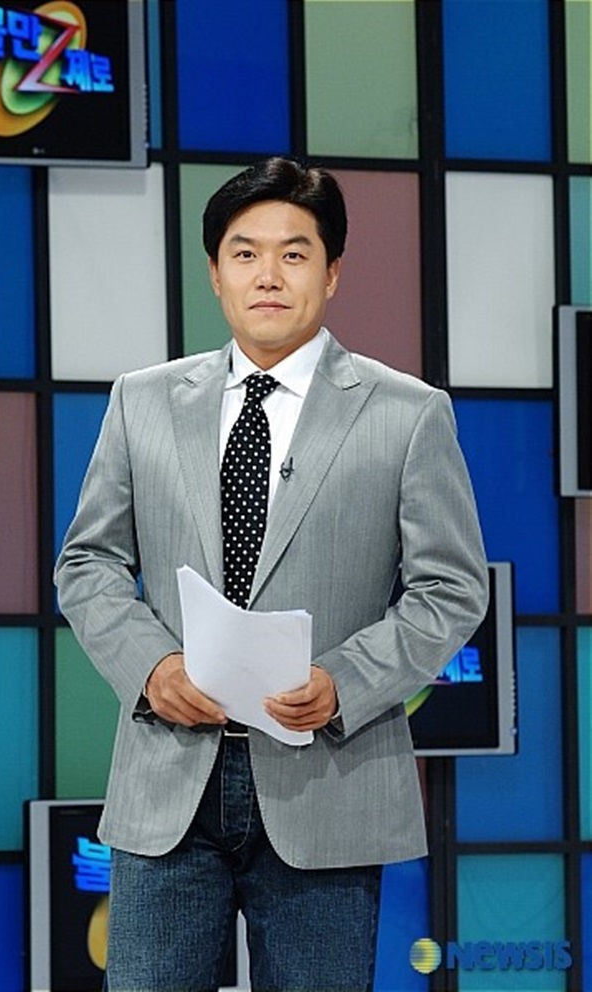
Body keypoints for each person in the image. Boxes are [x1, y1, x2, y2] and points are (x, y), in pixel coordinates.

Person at [55, 156, 488, 992]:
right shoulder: (142, 401)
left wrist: (344, 682)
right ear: (214, 273)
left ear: (332, 274)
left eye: (294, 254)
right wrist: (152, 667)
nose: (268, 275)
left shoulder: (406, 413)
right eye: (245, 253)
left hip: (328, 779)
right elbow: (88, 562)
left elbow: (451, 586)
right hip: (169, 778)